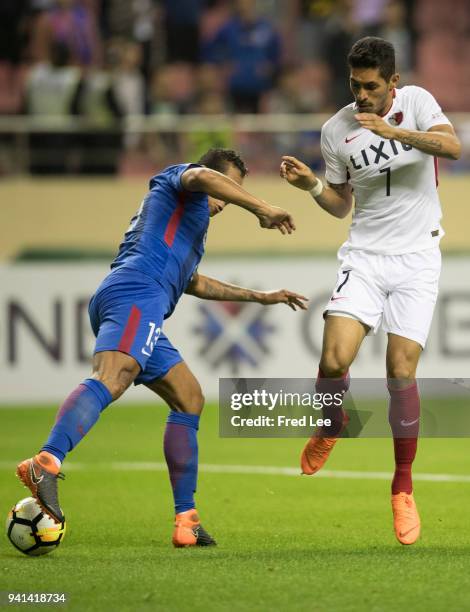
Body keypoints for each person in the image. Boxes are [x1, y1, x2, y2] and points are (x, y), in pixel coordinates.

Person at [17, 148, 307, 548]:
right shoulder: (180, 179)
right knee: (113, 377)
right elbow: (202, 179)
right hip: (136, 292)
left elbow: (195, 283)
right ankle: (45, 462)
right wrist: (261, 206)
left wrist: (261, 297)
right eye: (228, 189)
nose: (226, 200)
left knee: (189, 398)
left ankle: (186, 520)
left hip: (138, 298)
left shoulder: (188, 227)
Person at [280, 37, 460, 546]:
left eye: (371, 87)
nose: (361, 95)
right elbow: (341, 204)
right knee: (335, 359)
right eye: (354, 85)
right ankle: (331, 423)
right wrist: (313, 187)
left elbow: (452, 146)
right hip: (364, 256)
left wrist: (393, 130)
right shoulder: (335, 130)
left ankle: (402, 488)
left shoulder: (418, 103)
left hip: (417, 259)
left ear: (393, 83)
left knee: (400, 372)